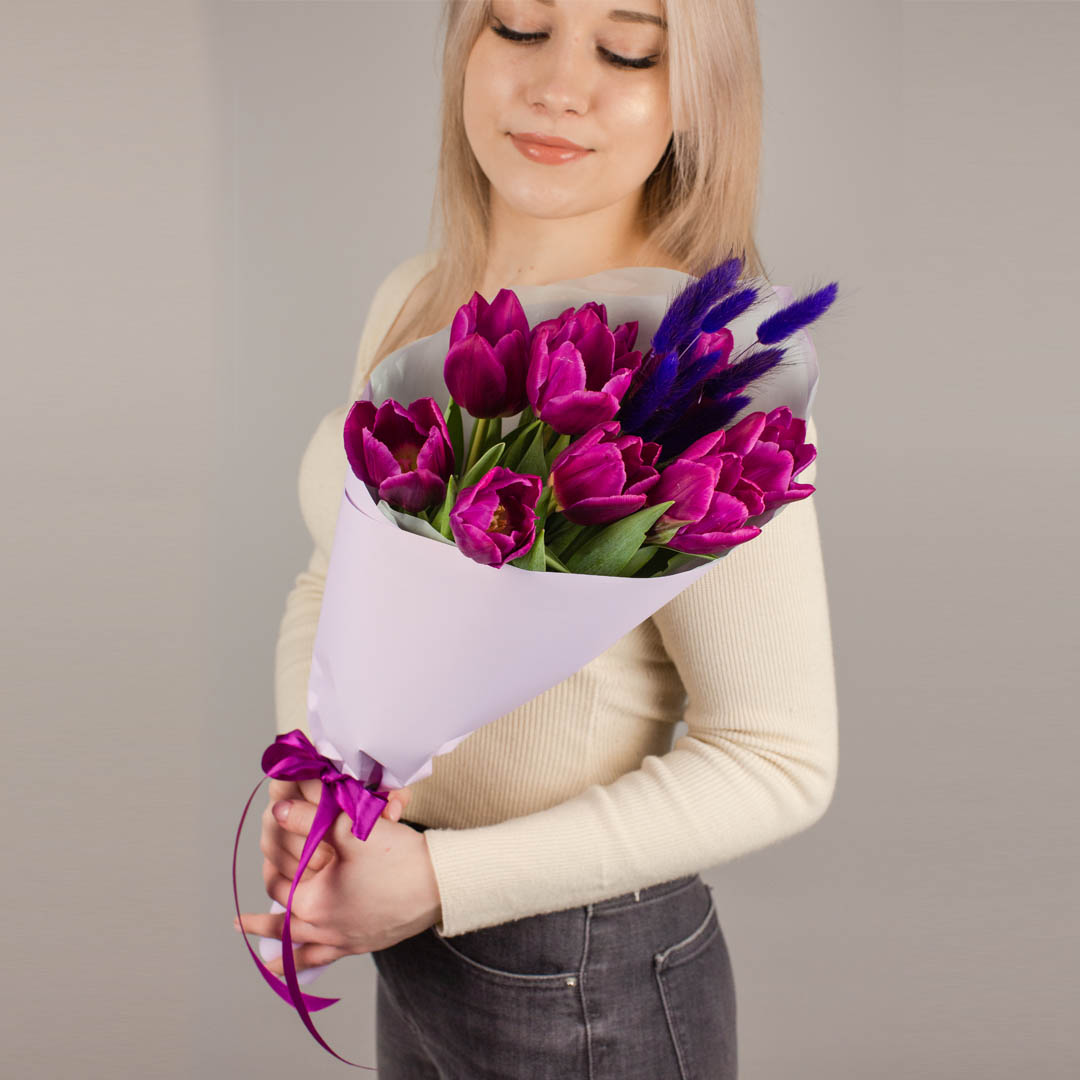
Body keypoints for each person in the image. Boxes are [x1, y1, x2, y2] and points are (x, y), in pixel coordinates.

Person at [234, 1, 838, 1076]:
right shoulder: (417, 300)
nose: (559, 85)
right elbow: (334, 579)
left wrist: (436, 883)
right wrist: (328, 784)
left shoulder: (707, 386)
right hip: (418, 947)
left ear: (698, 94)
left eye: (627, 49)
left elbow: (778, 757)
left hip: (583, 977)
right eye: (519, 26)